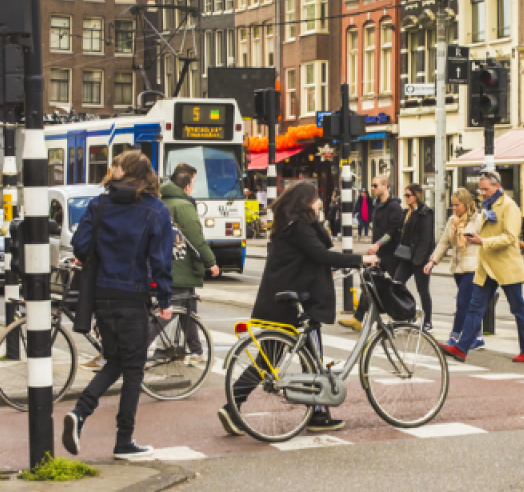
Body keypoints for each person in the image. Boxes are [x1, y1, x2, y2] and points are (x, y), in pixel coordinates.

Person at [218, 182, 379, 435]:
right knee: (311, 360)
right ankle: (316, 416)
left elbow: (314, 252)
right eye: (316, 201)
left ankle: (232, 408)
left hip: (277, 301)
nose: (319, 205)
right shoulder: (300, 228)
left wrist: (317, 223)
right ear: (306, 203)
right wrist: (361, 259)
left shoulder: (288, 226)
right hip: (296, 305)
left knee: (269, 361)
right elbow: (322, 255)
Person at [63, 151, 174, 461]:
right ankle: (124, 441)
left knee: (114, 360)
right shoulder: (155, 210)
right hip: (132, 296)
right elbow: (161, 260)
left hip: (101, 296)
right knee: (134, 369)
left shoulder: (98, 205)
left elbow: (81, 246)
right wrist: (165, 301)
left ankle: (80, 413)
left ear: (119, 174)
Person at [440, 171, 524, 363]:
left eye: (486, 189)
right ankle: (461, 348)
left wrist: (482, 241)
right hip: (486, 266)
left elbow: (511, 237)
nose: (482, 192)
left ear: (497, 186)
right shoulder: (487, 205)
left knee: (518, 308)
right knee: (475, 307)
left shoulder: (509, 206)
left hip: (506, 265)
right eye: (481, 189)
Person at [161, 163, 220, 361]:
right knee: (167, 312)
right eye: (193, 182)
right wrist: (210, 262)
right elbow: (195, 238)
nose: (193, 187)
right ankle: (136, 351)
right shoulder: (183, 206)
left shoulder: (161, 201)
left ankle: (196, 351)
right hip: (181, 266)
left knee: (188, 311)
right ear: (186, 185)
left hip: (166, 262)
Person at [339, 174, 403, 331]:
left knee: (397, 287)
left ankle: (405, 316)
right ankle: (358, 319)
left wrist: (378, 244)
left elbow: (393, 230)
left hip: (391, 254)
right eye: (372, 185)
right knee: (369, 283)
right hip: (379, 254)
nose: (372, 189)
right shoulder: (377, 205)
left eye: (375, 185)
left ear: (385, 186)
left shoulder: (394, 206)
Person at [426, 188, 486, 350]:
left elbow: (486, 240)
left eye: (457, 205)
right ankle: (478, 337)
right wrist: (433, 261)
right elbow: (444, 243)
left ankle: (455, 336)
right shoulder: (452, 221)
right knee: (469, 304)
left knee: (462, 302)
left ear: (466, 204)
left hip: (473, 267)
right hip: (458, 269)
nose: (455, 208)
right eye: (453, 205)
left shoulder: (478, 220)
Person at [389, 183, 435, 332]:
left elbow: (426, 238)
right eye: (405, 195)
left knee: (423, 290)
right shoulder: (407, 213)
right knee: (396, 283)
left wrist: (420, 258)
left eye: (408, 195)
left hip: (419, 258)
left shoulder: (425, 213)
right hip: (406, 256)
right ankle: (411, 312)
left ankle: (427, 322)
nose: (406, 198)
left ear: (416, 196)